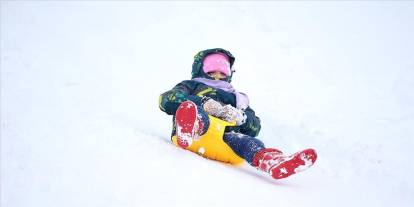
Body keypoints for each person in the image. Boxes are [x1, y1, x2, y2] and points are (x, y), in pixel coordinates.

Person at [159, 48, 317, 179]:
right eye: (211, 70)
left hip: (225, 139)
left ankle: (271, 161)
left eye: (223, 72)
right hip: (197, 131)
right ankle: (191, 126)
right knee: (195, 110)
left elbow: (255, 127)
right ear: (200, 69)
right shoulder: (192, 85)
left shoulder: (237, 98)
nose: (217, 75)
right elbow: (166, 99)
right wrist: (203, 103)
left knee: (247, 141)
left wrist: (241, 118)